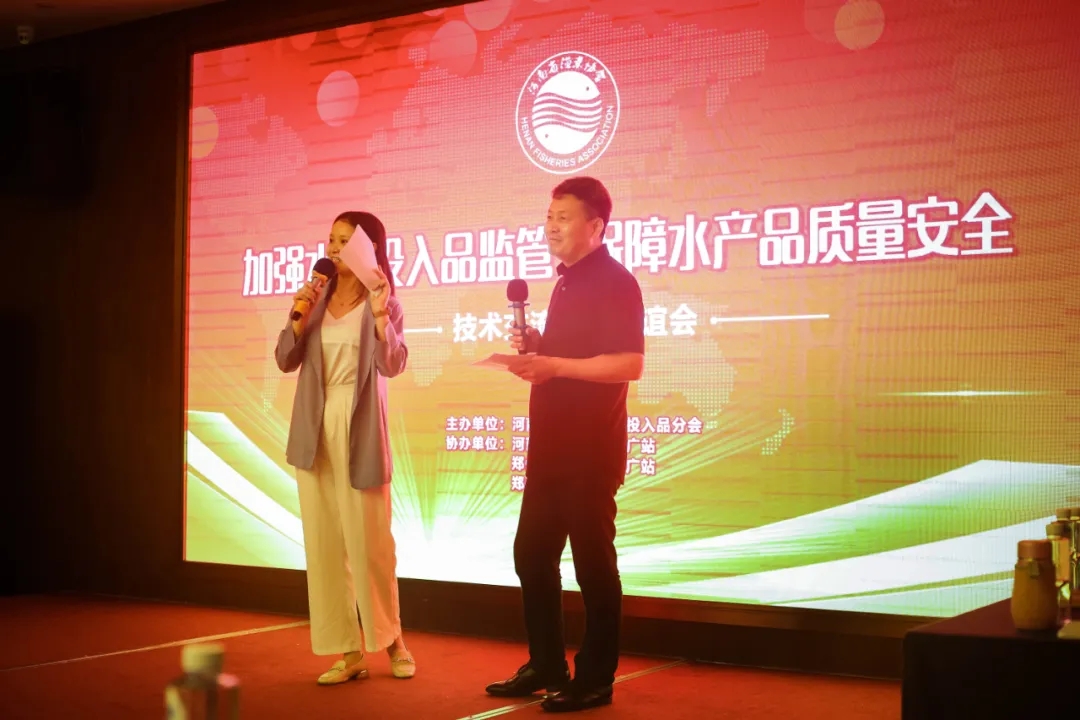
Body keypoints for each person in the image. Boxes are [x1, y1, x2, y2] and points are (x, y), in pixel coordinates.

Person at [485, 177, 645, 713]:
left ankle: (596, 679)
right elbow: (574, 356)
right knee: (531, 555)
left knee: (593, 566)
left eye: (563, 217)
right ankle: (547, 665)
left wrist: (553, 364)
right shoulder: (565, 282)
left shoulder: (616, 282)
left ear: (596, 225)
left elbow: (629, 363)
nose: (551, 226)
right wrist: (539, 348)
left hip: (590, 449)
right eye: (548, 216)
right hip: (551, 447)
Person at [275, 211, 416, 685]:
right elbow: (284, 359)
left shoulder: (384, 301)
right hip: (312, 427)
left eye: (343, 241)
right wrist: (297, 316)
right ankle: (348, 649)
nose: (333, 250)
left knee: (370, 542)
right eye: (331, 240)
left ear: (367, 248)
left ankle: (393, 640)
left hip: (359, 428)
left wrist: (380, 316)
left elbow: (392, 364)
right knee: (324, 544)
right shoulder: (315, 300)